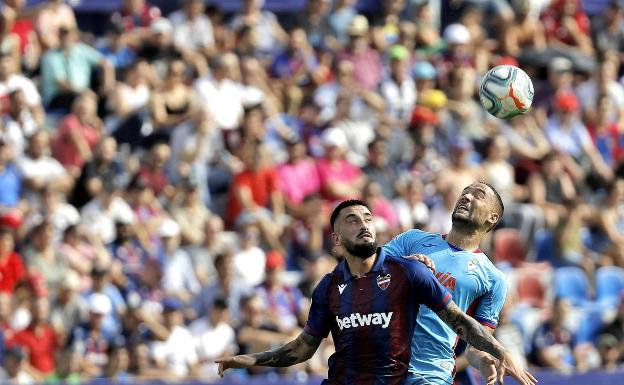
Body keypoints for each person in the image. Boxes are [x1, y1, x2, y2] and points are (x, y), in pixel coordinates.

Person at [217, 199, 536, 385]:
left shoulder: (415, 272)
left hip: (423, 374)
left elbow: (461, 323)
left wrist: (498, 352)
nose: (364, 224)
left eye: (368, 218)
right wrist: (251, 359)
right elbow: (302, 349)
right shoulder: (329, 287)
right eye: (352, 220)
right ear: (337, 239)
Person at [382, 182, 515, 385]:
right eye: (465, 192)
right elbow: (363, 271)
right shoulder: (412, 239)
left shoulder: (493, 279)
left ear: (492, 217)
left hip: (430, 374)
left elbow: (474, 347)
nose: (467, 197)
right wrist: (402, 265)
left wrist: (481, 360)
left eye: (478, 195)